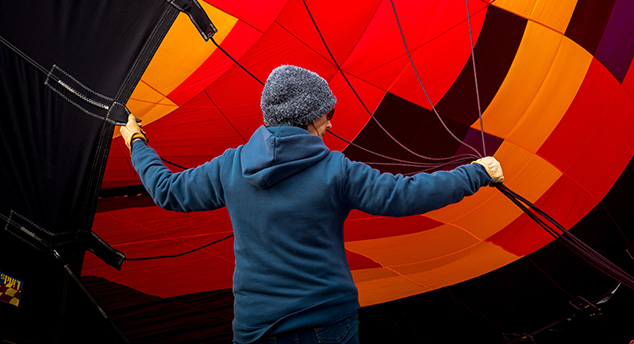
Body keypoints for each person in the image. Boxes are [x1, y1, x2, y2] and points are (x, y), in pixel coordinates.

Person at [120, 65, 504, 344]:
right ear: (307, 117)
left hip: (258, 329)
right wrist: (476, 173)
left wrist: (137, 143)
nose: (331, 124)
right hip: (328, 320)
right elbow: (405, 196)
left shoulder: (230, 165)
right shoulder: (335, 169)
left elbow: (166, 190)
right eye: (327, 114)